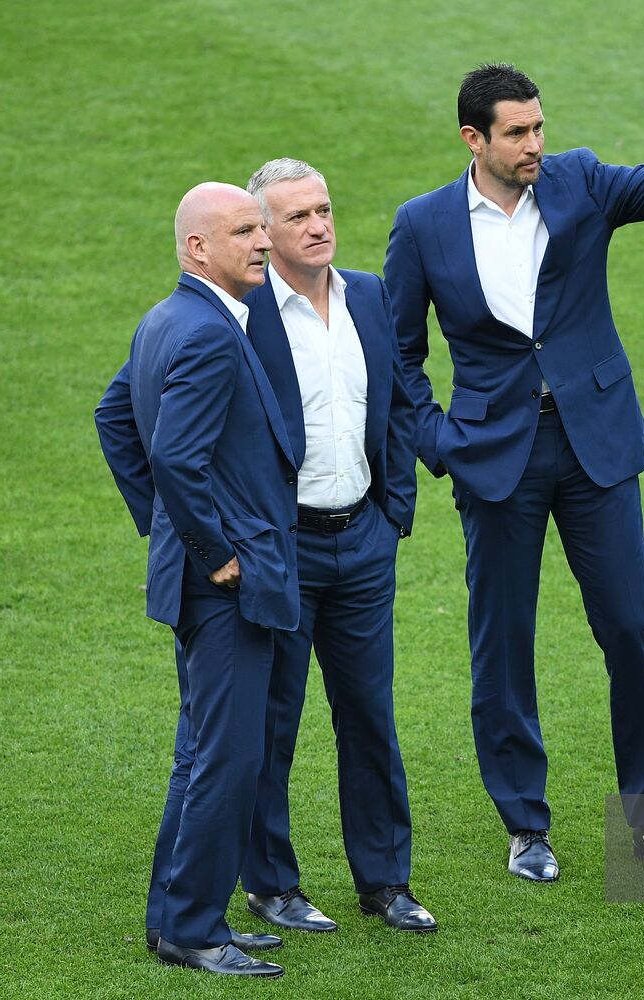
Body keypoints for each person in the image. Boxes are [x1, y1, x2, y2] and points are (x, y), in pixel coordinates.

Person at [384, 11, 644, 883]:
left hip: (595, 450)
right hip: (494, 459)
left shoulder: (580, 181)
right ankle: (525, 825)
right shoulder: (423, 225)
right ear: (475, 138)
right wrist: (438, 440)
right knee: (502, 645)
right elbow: (397, 354)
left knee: (629, 627)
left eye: (540, 126)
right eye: (518, 132)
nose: (536, 142)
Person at [95, 182, 299, 977]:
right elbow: (174, 456)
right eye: (243, 230)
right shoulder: (210, 331)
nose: (261, 240)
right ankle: (193, 930)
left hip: (199, 577)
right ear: (197, 248)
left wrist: (167, 534)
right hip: (226, 585)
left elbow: (115, 417)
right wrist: (210, 548)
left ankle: (175, 916)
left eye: (260, 226)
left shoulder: (168, 318)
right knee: (229, 755)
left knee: (201, 751)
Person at [236, 158, 433, 933]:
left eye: (323, 210)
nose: (319, 225)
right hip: (280, 550)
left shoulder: (372, 296)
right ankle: (271, 883)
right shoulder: (242, 312)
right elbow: (138, 410)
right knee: (272, 720)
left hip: (363, 543)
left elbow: (394, 403)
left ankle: (386, 882)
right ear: (263, 234)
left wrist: (395, 513)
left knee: (369, 717)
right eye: (297, 218)